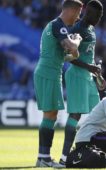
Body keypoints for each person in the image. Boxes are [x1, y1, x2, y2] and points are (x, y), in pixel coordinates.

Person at [33, 0, 83, 167]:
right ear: (72, 10)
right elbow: (71, 46)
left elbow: (70, 55)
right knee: (50, 114)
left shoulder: (57, 27)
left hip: (50, 72)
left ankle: (43, 157)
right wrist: (77, 41)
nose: (79, 17)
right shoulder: (58, 25)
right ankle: (43, 158)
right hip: (48, 73)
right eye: (78, 13)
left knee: (52, 115)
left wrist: (74, 49)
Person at [60, 0, 106, 165]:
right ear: (88, 12)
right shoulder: (77, 29)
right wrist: (88, 66)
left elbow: (88, 55)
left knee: (99, 113)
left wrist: (97, 73)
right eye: (97, 15)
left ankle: (104, 152)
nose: (99, 18)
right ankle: (64, 157)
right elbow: (68, 56)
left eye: (101, 15)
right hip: (77, 75)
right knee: (75, 114)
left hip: (88, 76)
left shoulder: (92, 29)